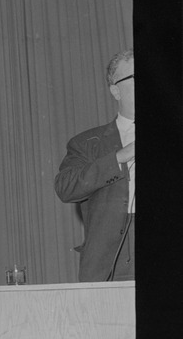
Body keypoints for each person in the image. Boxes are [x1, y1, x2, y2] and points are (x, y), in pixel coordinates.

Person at [54, 49, 135, 282]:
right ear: (115, 91)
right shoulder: (87, 143)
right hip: (110, 261)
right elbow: (65, 187)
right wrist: (119, 157)